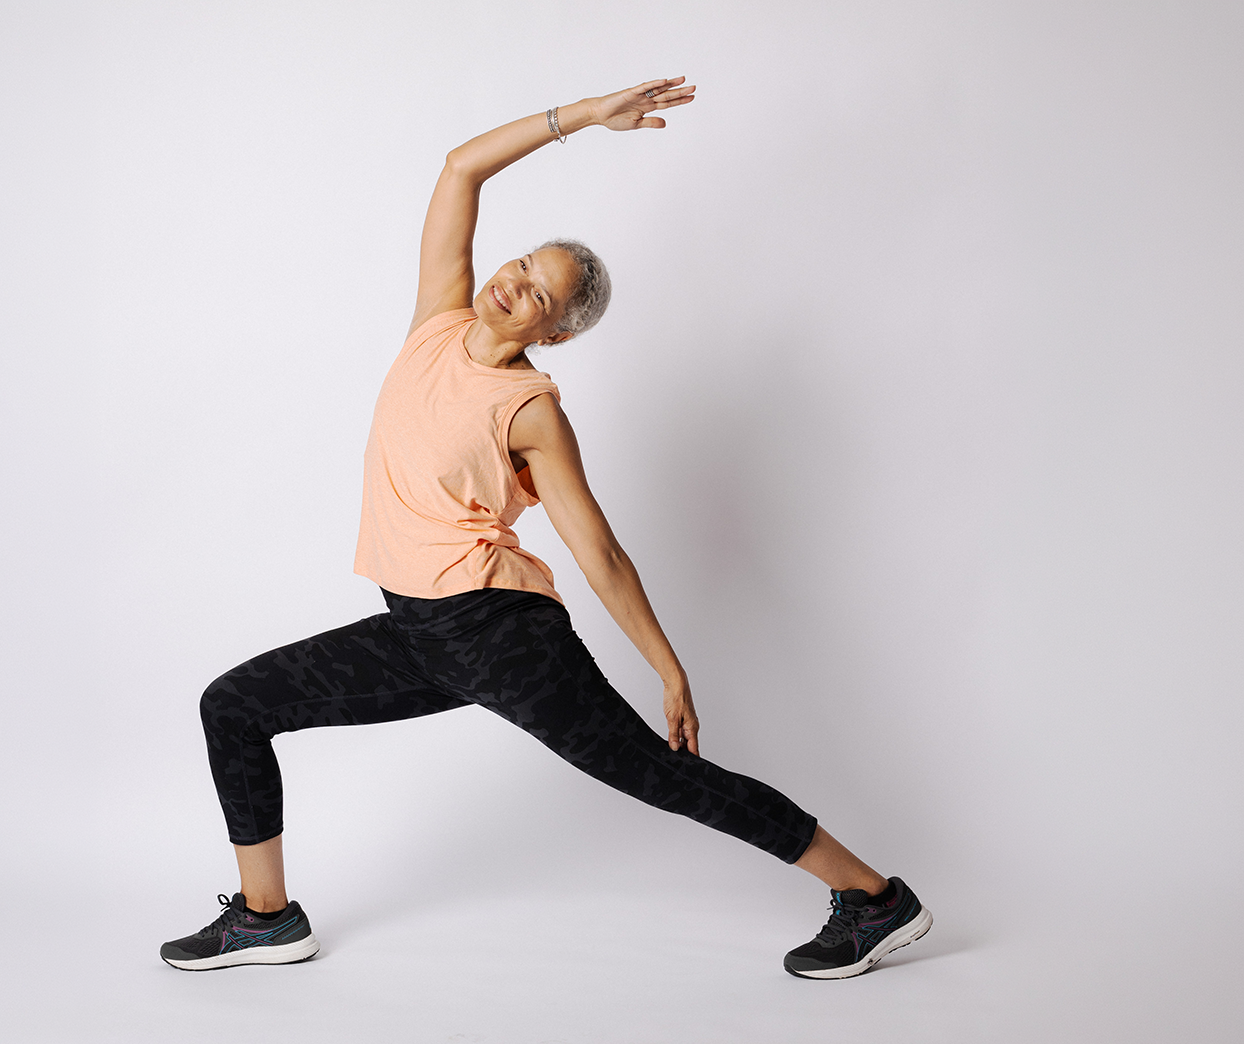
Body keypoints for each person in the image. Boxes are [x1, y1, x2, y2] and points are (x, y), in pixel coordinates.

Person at [159, 77, 931, 980]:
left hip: (499, 637)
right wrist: (582, 118)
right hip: (417, 634)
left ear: (554, 333)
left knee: (662, 777)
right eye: (522, 265)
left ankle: (874, 898)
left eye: (536, 295)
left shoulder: (531, 409)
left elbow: (596, 548)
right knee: (236, 706)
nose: (512, 283)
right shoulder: (437, 322)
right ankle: (266, 918)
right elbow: (461, 169)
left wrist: (668, 667)